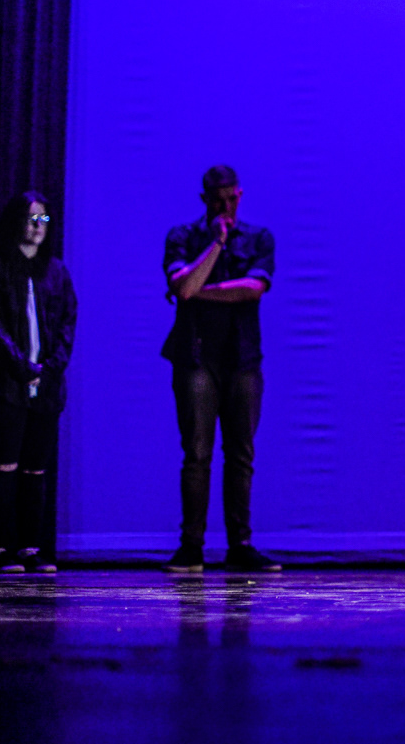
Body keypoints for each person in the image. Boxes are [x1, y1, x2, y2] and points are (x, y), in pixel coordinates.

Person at [161, 166, 280, 573]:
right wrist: (216, 244)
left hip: (243, 359)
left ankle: (240, 546)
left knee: (241, 454)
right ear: (205, 200)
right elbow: (182, 286)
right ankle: (191, 547)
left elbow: (252, 289)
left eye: (232, 199)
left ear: (240, 196)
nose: (226, 207)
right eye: (218, 200)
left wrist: (197, 291)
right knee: (197, 454)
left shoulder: (260, 238)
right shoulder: (183, 237)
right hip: (196, 358)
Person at [0, 190, 77, 574]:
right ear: (16, 220)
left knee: (35, 468)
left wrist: (49, 368)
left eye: (44, 219)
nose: (37, 226)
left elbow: (68, 322)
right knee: (4, 465)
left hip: (46, 386)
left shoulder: (57, 271)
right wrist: (21, 366)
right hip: (7, 383)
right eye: (31, 217)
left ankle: (30, 547)